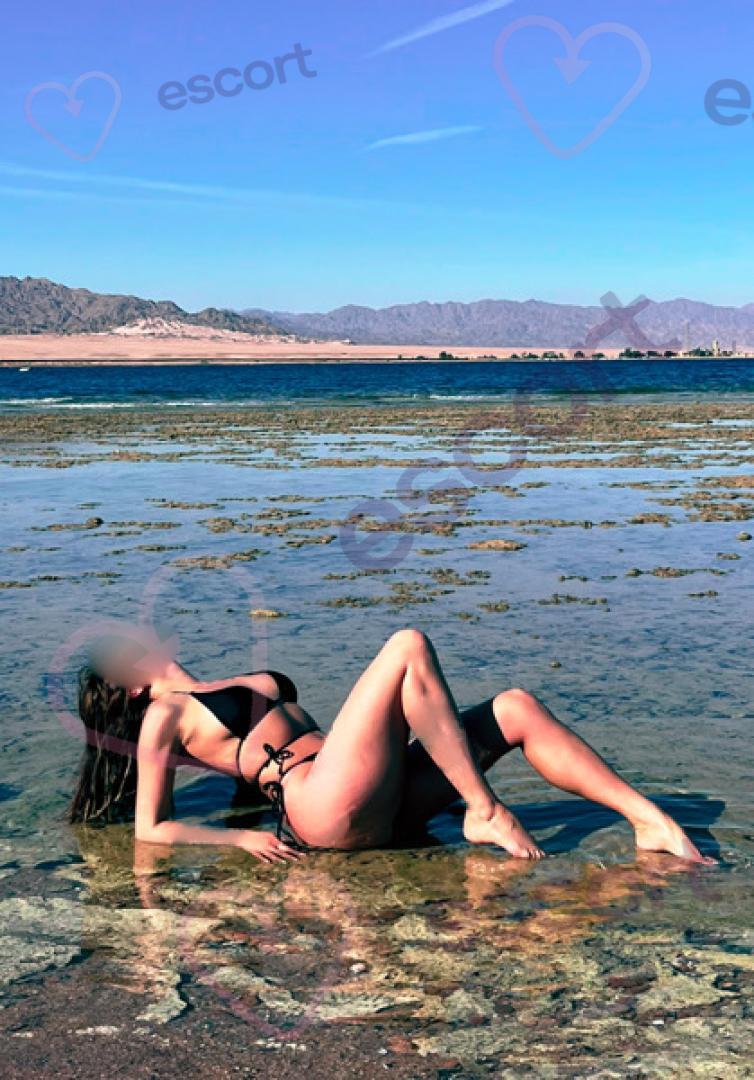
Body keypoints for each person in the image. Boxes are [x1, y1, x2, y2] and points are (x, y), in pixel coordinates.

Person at [70, 627, 715, 866]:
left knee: (514, 708)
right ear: (128, 688)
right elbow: (151, 829)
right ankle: (483, 809)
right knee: (406, 647)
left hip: (368, 791)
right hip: (321, 803)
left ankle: (649, 822)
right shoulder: (164, 717)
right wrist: (240, 841)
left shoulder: (212, 686)